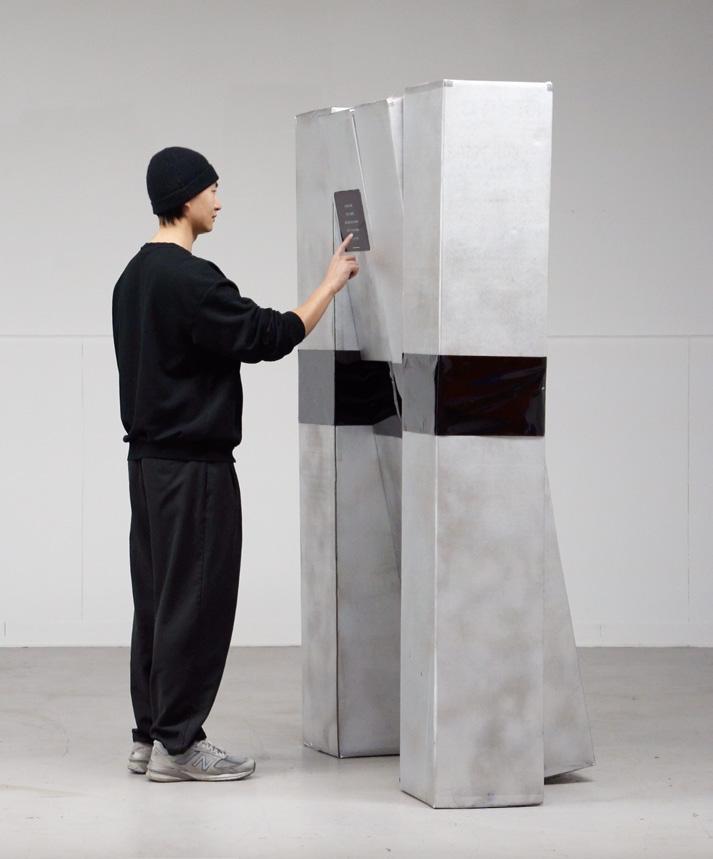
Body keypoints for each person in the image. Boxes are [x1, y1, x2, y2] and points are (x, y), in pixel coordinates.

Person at [112, 146, 358, 783]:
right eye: (213, 190)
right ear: (186, 197)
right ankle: (180, 746)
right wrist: (328, 286)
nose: (219, 202)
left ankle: (150, 734)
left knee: (158, 601)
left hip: (147, 466)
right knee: (196, 602)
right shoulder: (191, 280)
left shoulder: (131, 279)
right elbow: (268, 336)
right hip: (193, 470)